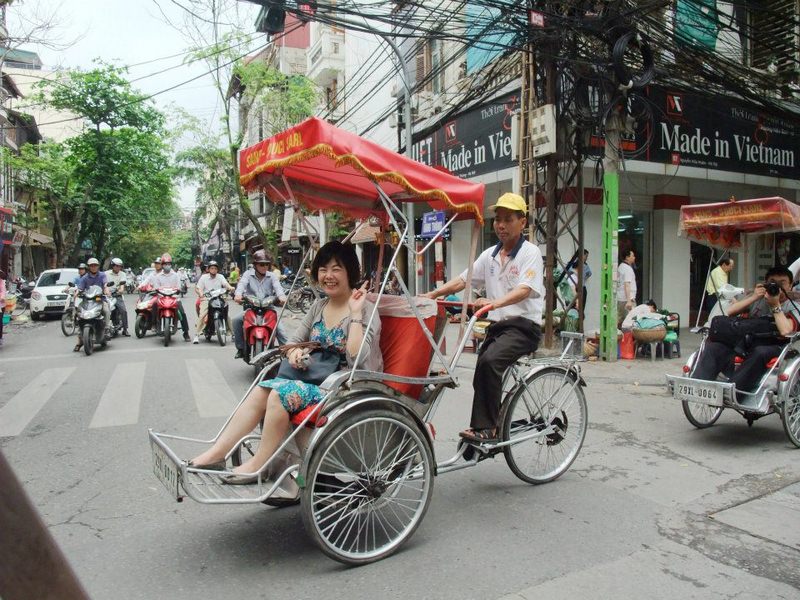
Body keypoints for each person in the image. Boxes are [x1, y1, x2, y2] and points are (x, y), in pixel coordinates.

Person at [188, 241, 382, 483]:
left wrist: (355, 313)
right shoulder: (319, 306)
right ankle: (217, 453)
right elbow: (292, 342)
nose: (328, 276)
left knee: (280, 393)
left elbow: (356, 357)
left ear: (350, 272)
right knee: (262, 388)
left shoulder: (366, 310)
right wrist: (294, 353)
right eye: (323, 269)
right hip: (313, 380)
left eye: (336, 269)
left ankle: (260, 464)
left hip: (345, 387)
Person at [423, 192, 544, 443]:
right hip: (498, 326)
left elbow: (525, 289)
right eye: (498, 219)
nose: (501, 225)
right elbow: (463, 280)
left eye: (508, 219)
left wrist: (493, 302)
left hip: (524, 327)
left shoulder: (530, 253)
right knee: (481, 370)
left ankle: (487, 429)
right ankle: (483, 427)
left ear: (522, 222)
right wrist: (433, 294)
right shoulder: (489, 255)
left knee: (489, 362)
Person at [692, 266, 799, 393]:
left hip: (775, 346)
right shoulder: (758, 301)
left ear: (790, 286)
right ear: (765, 283)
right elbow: (730, 312)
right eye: (773, 283)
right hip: (746, 342)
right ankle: (698, 388)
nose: (777, 287)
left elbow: (786, 331)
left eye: (782, 283)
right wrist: (754, 296)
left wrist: (775, 305)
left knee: (760, 352)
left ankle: (733, 391)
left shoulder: (793, 306)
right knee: (715, 347)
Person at [233, 250, 288, 358]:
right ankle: (240, 348)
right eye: (261, 264)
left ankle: (287, 353)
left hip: (269, 308)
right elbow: (241, 285)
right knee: (236, 320)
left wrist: (282, 297)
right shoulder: (248, 274)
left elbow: (278, 288)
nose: (264, 267)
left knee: (281, 330)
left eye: (267, 264)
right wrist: (238, 295)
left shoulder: (272, 276)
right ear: (255, 265)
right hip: (251, 308)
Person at [150, 253, 191, 342]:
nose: (167, 266)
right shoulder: (158, 276)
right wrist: (157, 290)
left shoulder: (176, 275)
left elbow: (179, 287)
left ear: (171, 265)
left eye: (168, 264)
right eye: (165, 264)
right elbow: (156, 287)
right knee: (154, 304)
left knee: (182, 313)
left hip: (174, 298)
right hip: (161, 298)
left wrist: (178, 290)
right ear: (162, 265)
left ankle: (186, 332)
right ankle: (154, 324)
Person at [73, 258, 111, 351]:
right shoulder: (85, 277)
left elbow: (105, 284)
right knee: (80, 316)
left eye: (95, 265)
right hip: (87, 301)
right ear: (89, 267)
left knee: (106, 310)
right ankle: (79, 341)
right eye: (91, 266)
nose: (93, 267)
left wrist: (106, 290)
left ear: (98, 266)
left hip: (99, 299)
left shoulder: (102, 275)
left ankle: (106, 328)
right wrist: (76, 293)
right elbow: (80, 288)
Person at [193, 260, 234, 344]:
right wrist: (201, 293)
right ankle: (196, 335)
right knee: (202, 315)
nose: (213, 270)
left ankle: (233, 334)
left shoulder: (220, 276)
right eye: (212, 268)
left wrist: (230, 287)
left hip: (219, 297)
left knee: (226, 314)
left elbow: (225, 284)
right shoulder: (204, 277)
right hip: (207, 299)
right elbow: (199, 288)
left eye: (215, 268)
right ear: (208, 269)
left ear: (217, 269)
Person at [104, 258, 130, 336]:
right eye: (116, 266)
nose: (118, 268)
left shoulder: (123, 274)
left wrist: (120, 290)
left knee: (123, 310)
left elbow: (122, 285)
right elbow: (104, 284)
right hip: (107, 295)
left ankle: (125, 329)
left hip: (117, 295)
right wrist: (106, 291)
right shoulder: (106, 274)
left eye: (120, 266)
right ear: (112, 266)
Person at [617, 249, 637, 325]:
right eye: (632, 256)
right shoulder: (627, 269)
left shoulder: (621, 266)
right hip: (627, 299)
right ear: (627, 257)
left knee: (620, 319)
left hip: (620, 297)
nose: (634, 257)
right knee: (631, 320)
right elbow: (627, 284)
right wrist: (629, 301)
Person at [0, 269, 6, 347]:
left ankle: (0, 337)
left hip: (1, 305)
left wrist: (2, 297)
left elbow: (3, 291)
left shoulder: (1, 281)